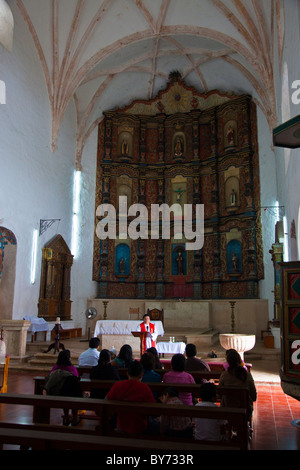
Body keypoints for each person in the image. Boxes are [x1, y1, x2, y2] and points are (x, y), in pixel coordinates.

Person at [106, 360, 159, 435]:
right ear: (141, 375)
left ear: (127, 373)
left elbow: (107, 400)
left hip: (122, 425)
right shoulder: (144, 388)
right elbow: (152, 408)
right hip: (139, 427)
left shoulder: (118, 385)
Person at [45, 349, 82, 426]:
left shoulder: (55, 368)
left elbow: (50, 378)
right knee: (74, 393)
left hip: (56, 393)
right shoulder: (72, 368)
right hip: (70, 394)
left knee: (66, 394)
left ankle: (66, 417)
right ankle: (75, 417)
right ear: (69, 358)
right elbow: (76, 379)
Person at [219, 348, 257, 421]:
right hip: (245, 410)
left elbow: (220, 393)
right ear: (239, 360)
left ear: (228, 362)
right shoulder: (247, 375)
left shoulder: (224, 375)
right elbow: (253, 396)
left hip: (227, 409)